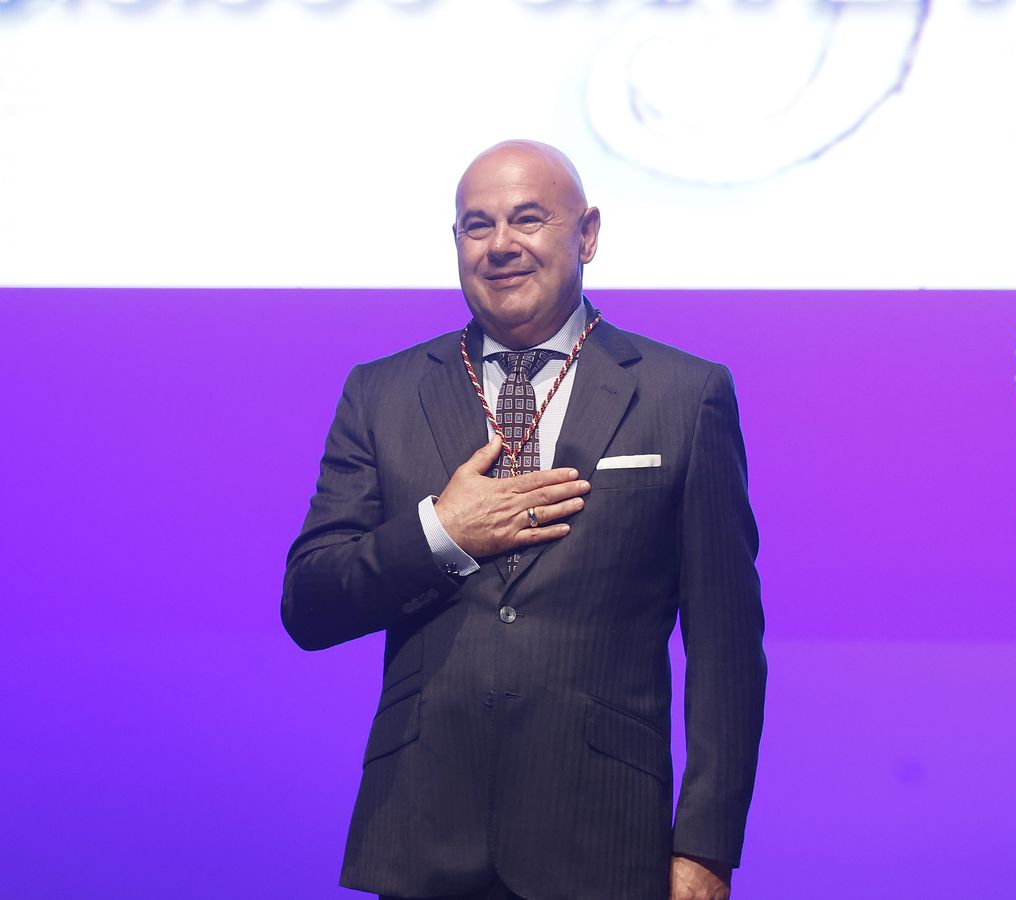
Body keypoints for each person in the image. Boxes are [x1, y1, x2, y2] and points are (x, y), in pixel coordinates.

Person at [283, 140, 765, 900]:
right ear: (456, 245)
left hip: (603, 840)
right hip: (421, 837)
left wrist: (706, 848)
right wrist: (441, 536)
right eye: (478, 225)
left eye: (528, 219)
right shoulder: (381, 392)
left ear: (588, 234)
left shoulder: (684, 395)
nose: (501, 244)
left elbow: (727, 651)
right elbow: (309, 603)